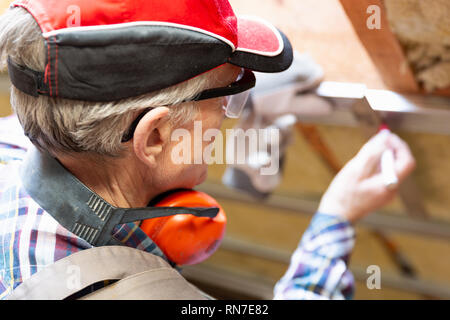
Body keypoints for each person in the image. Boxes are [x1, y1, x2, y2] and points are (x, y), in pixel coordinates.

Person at [0, 0, 416, 300]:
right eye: (226, 103)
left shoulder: (21, 134)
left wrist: (225, 88)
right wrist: (335, 219)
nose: (230, 115)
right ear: (156, 136)